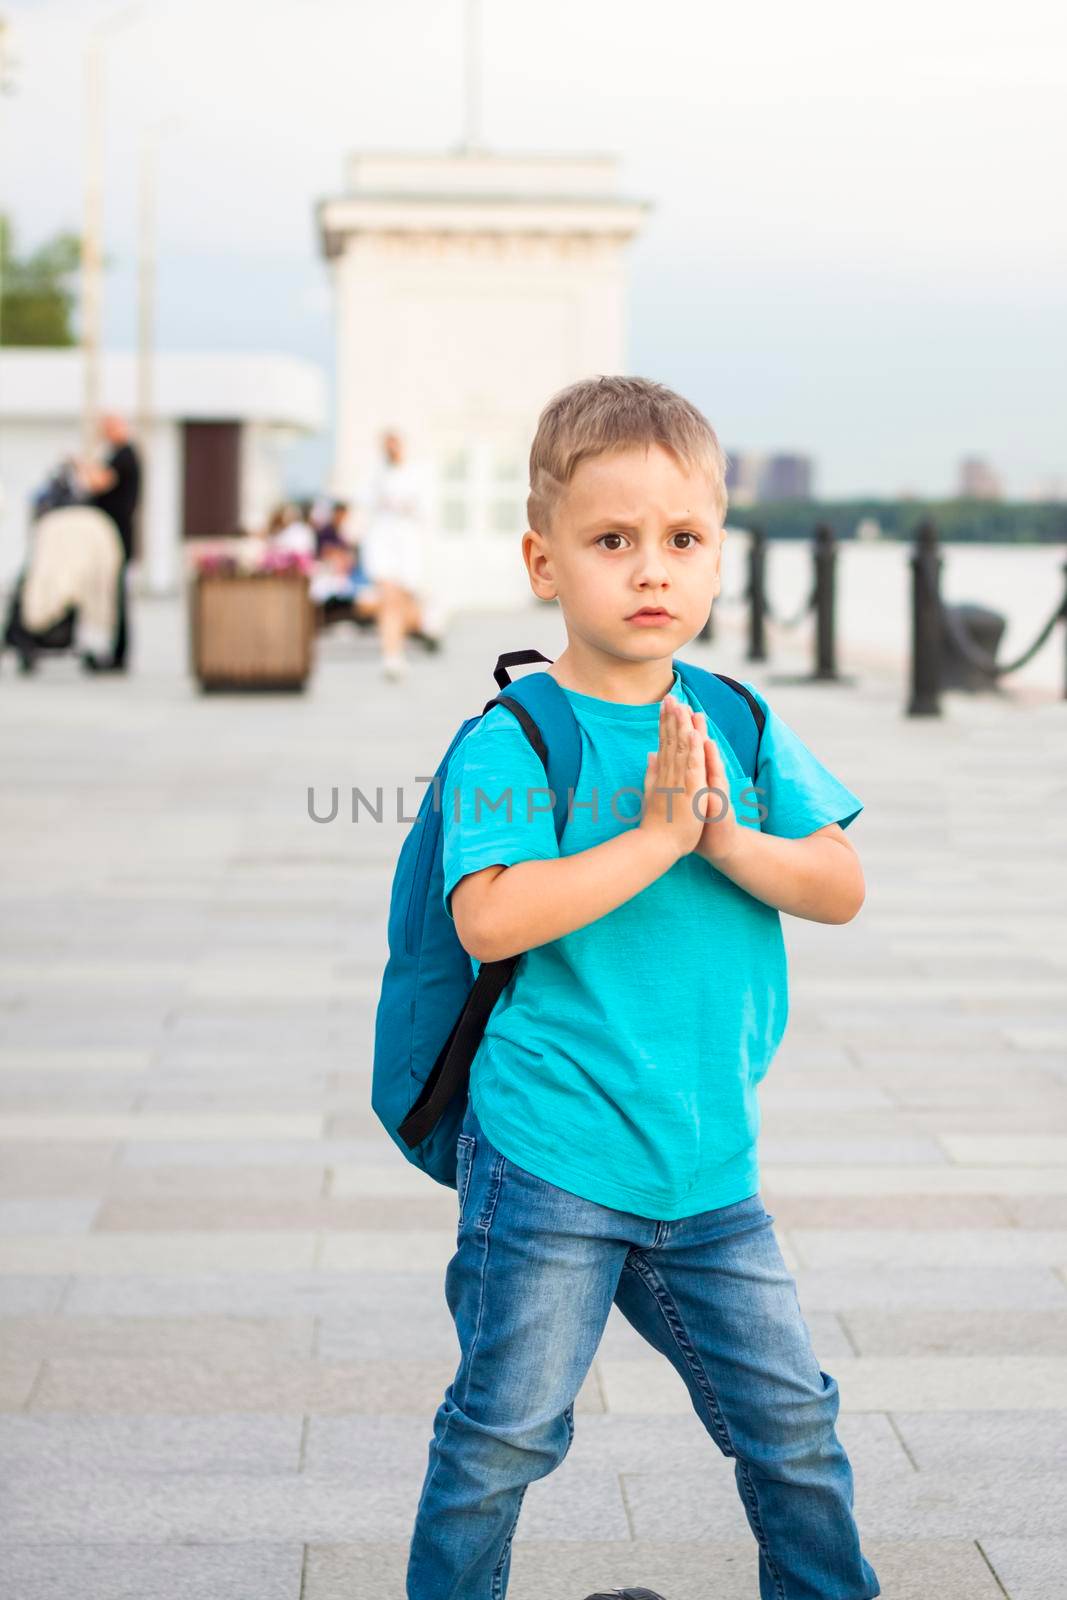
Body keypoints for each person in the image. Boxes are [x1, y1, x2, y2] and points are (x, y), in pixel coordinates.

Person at [405, 377, 879, 1600]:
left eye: (681, 540)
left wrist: (723, 838)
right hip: (551, 1154)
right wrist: (654, 840)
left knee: (793, 1431)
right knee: (504, 1433)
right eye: (611, 541)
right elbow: (490, 911)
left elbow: (835, 882)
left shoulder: (736, 720)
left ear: (718, 556)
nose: (648, 569)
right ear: (543, 560)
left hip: (710, 1164)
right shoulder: (514, 738)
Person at [358, 429, 441, 680]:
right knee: (389, 599)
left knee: (403, 603)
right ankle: (391, 654)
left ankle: (405, 641)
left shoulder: (417, 475)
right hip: (383, 545)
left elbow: (425, 510)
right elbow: (365, 504)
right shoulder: (375, 475)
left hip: (408, 547)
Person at [77, 413, 141, 672]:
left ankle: (119, 656)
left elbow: (98, 482)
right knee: (114, 597)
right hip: (112, 536)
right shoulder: (119, 454)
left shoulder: (124, 455)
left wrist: (82, 466)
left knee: (118, 598)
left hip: (116, 537)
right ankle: (115, 653)